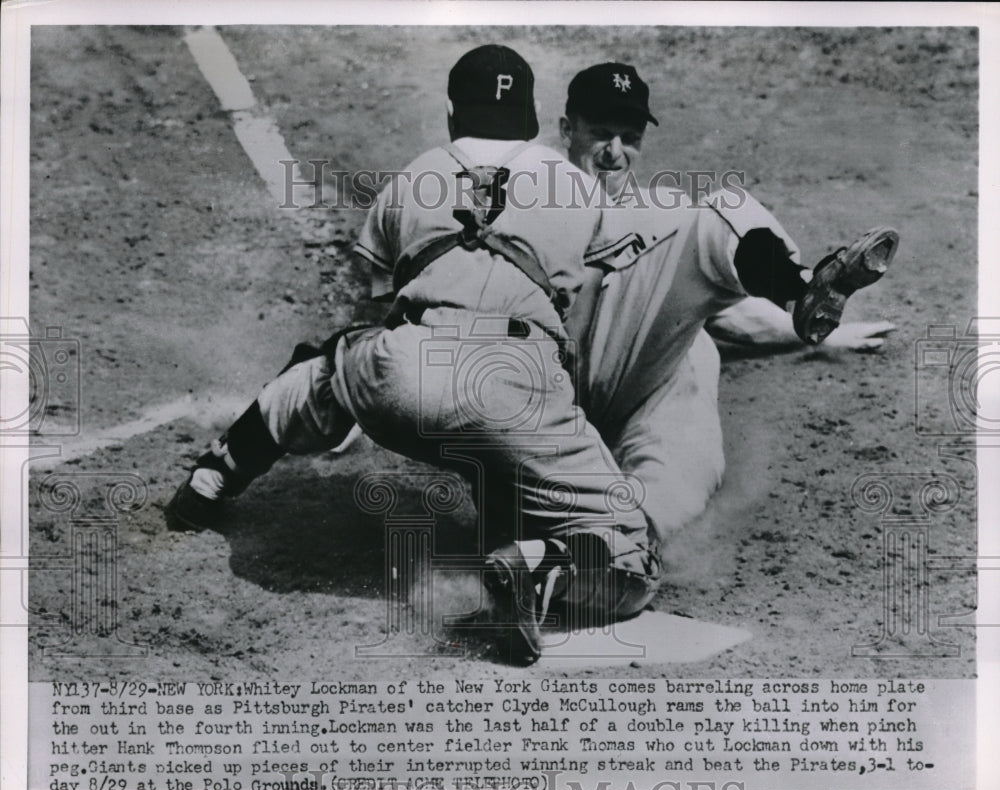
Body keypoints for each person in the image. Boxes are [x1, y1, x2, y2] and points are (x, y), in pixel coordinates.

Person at [167, 45, 663, 666]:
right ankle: (537, 568)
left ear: (454, 112)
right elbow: (596, 302)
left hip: (400, 384)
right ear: (535, 116)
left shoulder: (414, 174)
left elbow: (370, 301)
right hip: (515, 390)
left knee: (327, 369)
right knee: (632, 559)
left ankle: (214, 477)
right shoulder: (579, 186)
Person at [557, 62, 899, 544]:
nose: (615, 153)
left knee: (699, 340)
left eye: (629, 138)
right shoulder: (527, 205)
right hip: (547, 398)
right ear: (567, 130)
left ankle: (621, 543)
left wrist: (811, 326)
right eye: (601, 134)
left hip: (632, 388)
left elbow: (729, 311)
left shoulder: (658, 219)